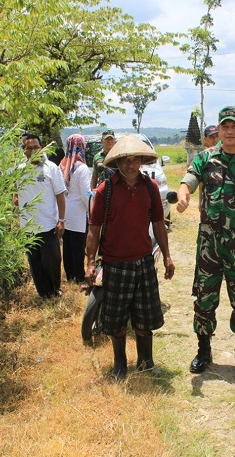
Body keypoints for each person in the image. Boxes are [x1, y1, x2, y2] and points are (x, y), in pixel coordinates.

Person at [176, 105, 235, 376]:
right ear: (219, 129)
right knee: (204, 296)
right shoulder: (205, 158)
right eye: (224, 126)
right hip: (209, 242)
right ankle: (204, 351)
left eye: (234, 126)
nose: (229, 131)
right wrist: (183, 196)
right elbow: (189, 181)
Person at [85, 135, 175, 379]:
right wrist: (91, 262)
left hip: (144, 261)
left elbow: (158, 223)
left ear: (142, 162)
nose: (131, 165)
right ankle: (120, 365)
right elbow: (94, 227)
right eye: (125, 160)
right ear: (117, 162)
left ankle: (146, 362)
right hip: (115, 264)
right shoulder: (107, 189)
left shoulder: (150, 187)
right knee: (116, 321)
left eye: (135, 160)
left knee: (145, 319)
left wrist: (167, 256)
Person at [15, 134, 67, 299]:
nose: (34, 150)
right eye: (29, 148)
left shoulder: (51, 168)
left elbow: (60, 195)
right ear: (24, 150)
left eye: (36, 147)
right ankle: (44, 294)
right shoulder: (19, 170)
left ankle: (55, 289)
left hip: (48, 225)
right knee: (35, 263)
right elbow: (15, 196)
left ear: (41, 147)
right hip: (28, 227)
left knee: (51, 261)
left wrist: (62, 220)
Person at [59, 134, 91, 283]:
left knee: (67, 245)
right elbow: (86, 194)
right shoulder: (82, 168)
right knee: (78, 246)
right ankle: (78, 276)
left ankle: (70, 274)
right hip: (78, 212)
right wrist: (91, 209)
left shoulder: (62, 166)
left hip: (65, 211)